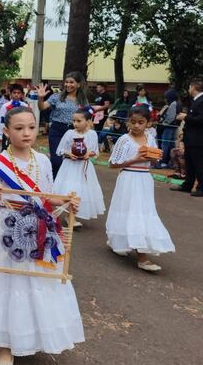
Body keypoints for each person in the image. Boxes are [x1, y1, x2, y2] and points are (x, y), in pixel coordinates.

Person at [0, 106, 83, 365]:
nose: (26, 133)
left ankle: (29, 334)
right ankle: (4, 344)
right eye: (19, 128)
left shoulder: (44, 161)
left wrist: (68, 203)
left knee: (34, 283)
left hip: (38, 229)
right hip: (8, 231)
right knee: (8, 281)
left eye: (31, 127)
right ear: (6, 131)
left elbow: (48, 197)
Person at [106, 104, 175, 271]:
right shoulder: (124, 140)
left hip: (145, 179)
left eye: (141, 122)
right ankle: (141, 257)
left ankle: (124, 243)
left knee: (143, 212)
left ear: (148, 123)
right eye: (133, 122)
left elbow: (153, 160)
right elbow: (113, 164)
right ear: (128, 122)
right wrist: (135, 159)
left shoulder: (150, 138)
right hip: (129, 177)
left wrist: (154, 157)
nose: (136, 126)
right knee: (128, 211)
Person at [53, 108, 105, 223]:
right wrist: (69, 153)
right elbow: (60, 149)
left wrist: (88, 154)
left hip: (83, 167)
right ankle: (71, 217)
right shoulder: (70, 133)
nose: (75, 123)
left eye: (79, 121)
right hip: (70, 166)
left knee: (82, 191)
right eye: (74, 121)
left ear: (87, 121)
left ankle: (74, 214)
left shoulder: (92, 134)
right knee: (71, 189)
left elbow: (95, 151)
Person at [36, 72, 90, 177]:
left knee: (71, 159)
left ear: (78, 84)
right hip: (57, 130)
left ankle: (65, 186)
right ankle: (53, 183)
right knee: (57, 161)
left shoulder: (83, 100)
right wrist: (40, 98)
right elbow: (42, 107)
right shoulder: (57, 97)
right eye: (66, 82)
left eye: (71, 82)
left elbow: (86, 117)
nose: (68, 85)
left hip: (74, 132)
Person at [171, 79, 203, 197]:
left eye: (189, 87)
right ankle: (188, 184)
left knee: (200, 164)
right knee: (190, 163)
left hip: (199, 139)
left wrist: (186, 117)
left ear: (193, 88)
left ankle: (202, 188)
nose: (189, 90)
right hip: (191, 137)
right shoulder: (195, 101)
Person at [0, 83, 28, 150]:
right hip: (8, 133)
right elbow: (1, 121)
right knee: (6, 151)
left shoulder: (25, 106)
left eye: (18, 93)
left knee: (20, 150)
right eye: (14, 92)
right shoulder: (5, 106)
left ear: (22, 94)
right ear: (10, 94)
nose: (16, 94)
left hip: (20, 133)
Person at [157, 89, 179, 168]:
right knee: (171, 145)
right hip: (173, 127)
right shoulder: (176, 103)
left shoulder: (173, 104)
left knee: (165, 144)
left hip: (168, 127)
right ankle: (172, 162)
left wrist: (163, 123)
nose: (165, 99)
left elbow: (170, 117)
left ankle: (162, 161)